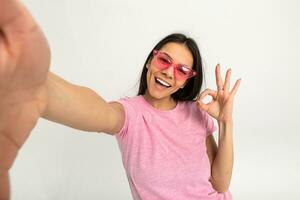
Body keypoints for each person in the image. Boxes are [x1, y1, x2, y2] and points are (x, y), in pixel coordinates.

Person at [0, 1, 241, 200]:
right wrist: (36, 83)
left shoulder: (196, 113)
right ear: (150, 61)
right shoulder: (131, 115)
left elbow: (220, 184)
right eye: (164, 60)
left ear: (187, 81)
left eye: (182, 70)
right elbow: (98, 111)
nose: (169, 72)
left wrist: (225, 122)